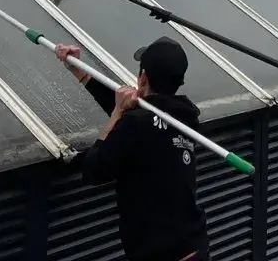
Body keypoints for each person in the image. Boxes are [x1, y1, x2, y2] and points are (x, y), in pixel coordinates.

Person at [55, 36, 210, 261]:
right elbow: (138, 123)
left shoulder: (136, 123)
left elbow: (94, 170)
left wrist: (117, 113)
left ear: (143, 77)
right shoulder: (185, 118)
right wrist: (80, 71)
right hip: (194, 247)